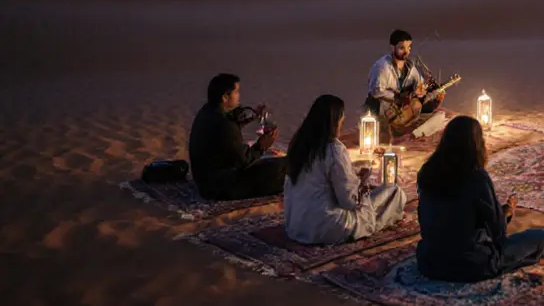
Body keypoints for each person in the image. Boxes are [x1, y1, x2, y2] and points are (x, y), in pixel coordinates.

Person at [416, 116, 544, 282]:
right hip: (471, 264)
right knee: (542, 236)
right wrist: (506, 213)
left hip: (429, 262)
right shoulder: (476, 177)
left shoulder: (427, 172)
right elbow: (498, 235)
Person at [283, 94, 407, 244]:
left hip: (296, 225)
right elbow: (348, 201)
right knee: (393, 192)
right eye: (341, 120)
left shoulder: (299, 144)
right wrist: (361, 184)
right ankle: (374, 223)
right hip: (325, 225)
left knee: (379, 196)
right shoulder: (334, 149)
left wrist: (353, 177)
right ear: (334, 122)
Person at [188, 73, 287, 201]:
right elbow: (245, 160)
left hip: (205, 181)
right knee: (282, 166)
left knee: (271, 159)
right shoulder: (223, 124)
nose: (238, 95)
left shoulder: (207, 111)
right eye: (236, 92)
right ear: (225, 97)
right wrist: (263, 145)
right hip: (220, 188)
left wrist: (253, 115)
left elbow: (229, 128)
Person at [366, 29, 446, 140]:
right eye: (402, 48)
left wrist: (434, 96)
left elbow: (419, 91)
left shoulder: (410, 67)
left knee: (441, 116)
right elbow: (375, 91)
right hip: (387, 117)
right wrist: (397, 98)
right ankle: (407, 133)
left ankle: (414, 135)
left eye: (409, 47)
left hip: (407, 116)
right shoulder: (382, 67)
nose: (406, 52)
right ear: (393, 47)